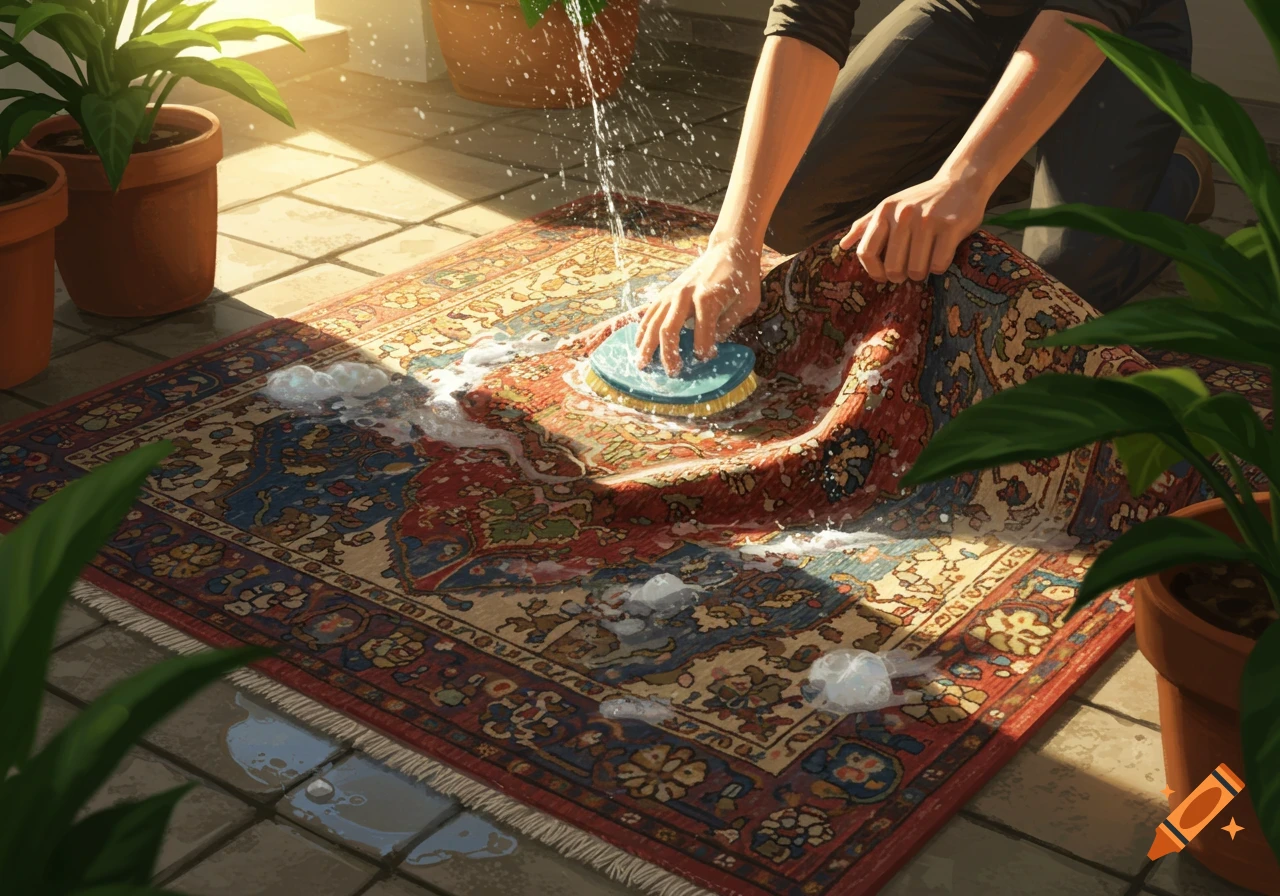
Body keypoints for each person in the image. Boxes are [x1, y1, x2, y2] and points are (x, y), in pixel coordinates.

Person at [633, 0, 1214, 375]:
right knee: (784, 208)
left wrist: (965, 180)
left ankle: (1178, 176)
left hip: (1109, 25)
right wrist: (731, 243)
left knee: (1053, 297)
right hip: (965, 15)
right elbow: (808, 18)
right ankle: (1003, 156)